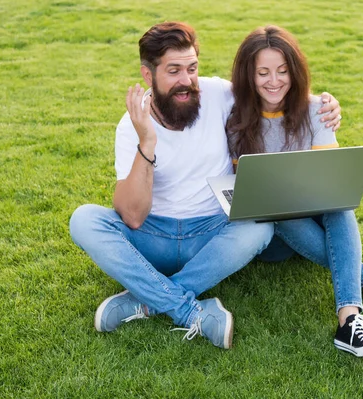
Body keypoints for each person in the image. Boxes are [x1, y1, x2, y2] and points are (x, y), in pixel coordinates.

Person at [68, 22, 342, 350]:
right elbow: (133, 216)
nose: (186, 81)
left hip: (213, 236)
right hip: (153, 237)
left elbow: (275, 93)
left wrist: (323, 105)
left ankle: (149, 299)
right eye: (173, 71)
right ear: (147, 75)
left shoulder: (218, 94)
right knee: (84, 219)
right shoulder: (131, 127)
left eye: (192, 68)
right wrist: (148, 144)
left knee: (259, 227)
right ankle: (188, 310)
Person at [226, 25, 363, 357]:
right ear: (249, 75)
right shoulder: (236, 120)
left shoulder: (318, 107)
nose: (274, 81)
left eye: (282, 71)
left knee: (338, 204)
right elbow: (245, 189)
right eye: (263, 73)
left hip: (313, 215)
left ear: (295, 71)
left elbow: (327, 173)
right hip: (273, 236)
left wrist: (356, 176)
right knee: (272, 206)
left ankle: (349, 321)